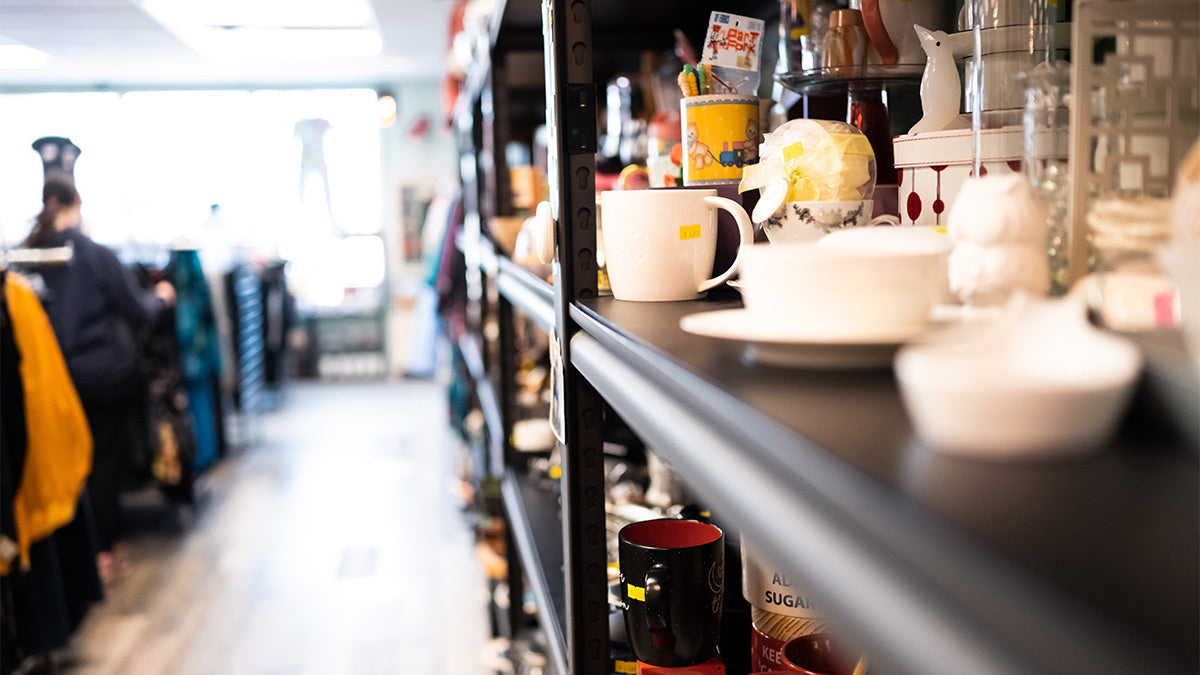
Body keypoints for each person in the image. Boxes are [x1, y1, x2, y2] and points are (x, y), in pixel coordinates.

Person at [24, 178, 175, 583]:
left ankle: (76, 560)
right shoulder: (94, 254)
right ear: (77, 203)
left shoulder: (28, 256)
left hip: (52, 381)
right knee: (100, 463)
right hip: (104, 377)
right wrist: (161, 297)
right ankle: (101, 551)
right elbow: (138, 311)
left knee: (65, 462)